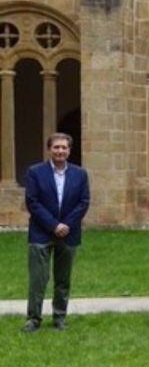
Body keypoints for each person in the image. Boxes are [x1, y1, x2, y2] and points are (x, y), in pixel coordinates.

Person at [21, 133, 91, 332]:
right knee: (38, 279)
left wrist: (66, 225)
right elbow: (32, 202)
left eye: (64, 148)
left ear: (69, 150)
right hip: (41, 232)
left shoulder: (80, 174)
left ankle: (59, 317)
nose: (60, 151)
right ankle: (33, 319)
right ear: (49, 149)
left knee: (63, 279)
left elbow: (83, 202)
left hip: (68, 233)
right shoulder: (35, 172)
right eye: (56, 147)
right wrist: (54, 225)